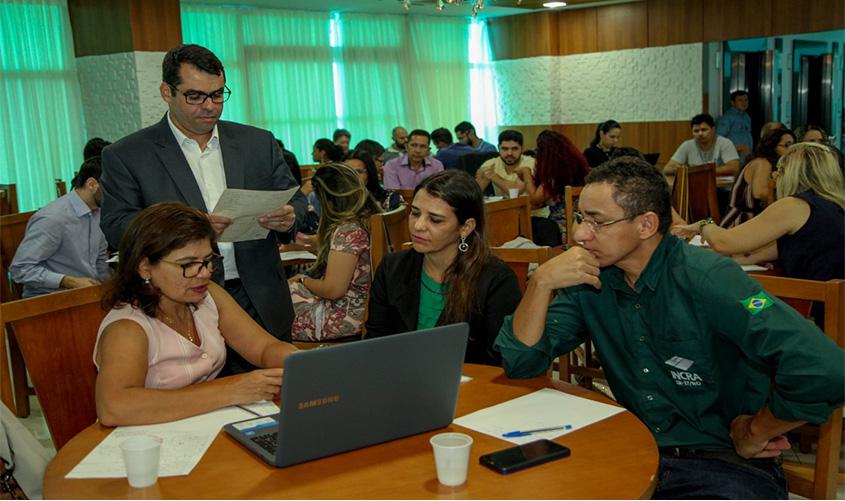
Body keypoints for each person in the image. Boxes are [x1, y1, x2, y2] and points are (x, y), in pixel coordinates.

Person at [495, 156, 845, 499]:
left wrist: (756, 430)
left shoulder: (709, 278)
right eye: (580, 218)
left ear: (646, 225)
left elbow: (825, 369)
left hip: (722, 465)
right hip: (634, 453)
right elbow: (521, 362)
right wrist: (541, 283)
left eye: (596, 221)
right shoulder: (590, 280)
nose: (579, 234)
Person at [100, 44, 306, 375]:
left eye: (217, 95)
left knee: (273, 399)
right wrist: (187, 229)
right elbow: (116, 225)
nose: (210, 106)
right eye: (195, 96)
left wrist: (291, 214)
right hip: (179, 303)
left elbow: (295, 198)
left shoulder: (257, 142)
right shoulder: (129, 155)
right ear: (167, 92)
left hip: (260, 295)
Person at [94, 202, 297, 426]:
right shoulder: (127, 328)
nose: (204, 274)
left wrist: (300, 363)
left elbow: (264, 348)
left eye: (208, 261)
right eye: (188, 265)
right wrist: (231, 390)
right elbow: (114, 407)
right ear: (144, 267)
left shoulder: (209, 296)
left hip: (202, 426)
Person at [366, 170, 520, 365]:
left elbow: (498, 359)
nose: (418, 226)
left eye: (435, 219)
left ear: (466, 227)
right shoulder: (393, 267)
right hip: (399, 380)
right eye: (415, 213)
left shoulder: (495, 279)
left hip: (469, 386)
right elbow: (375, 341)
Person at [679, 142, 844, 283]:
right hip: (832, 305)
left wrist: (704, 224)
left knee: (746, 303)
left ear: (791, 174)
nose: (774, 176)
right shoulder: (833, 207)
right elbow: (750, 254)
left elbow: (724, 242)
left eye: (779, 170)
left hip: (808, 305)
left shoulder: (795, 206)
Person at [288, 164, 381, 341]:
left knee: (270, 306)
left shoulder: (348, 231)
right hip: (363, 307)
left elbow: (333, 290)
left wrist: (303, 280)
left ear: (327, 201)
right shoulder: (369, 218)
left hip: (343, 318)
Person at [10, 157, 111, 298]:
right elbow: (20, 269)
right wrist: (67, 281)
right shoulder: (53, 218)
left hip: (86, 295)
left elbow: (100, 261)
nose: (118, 195)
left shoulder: (97, 212)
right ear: (92, 184)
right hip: (51, 299)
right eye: (114, 189)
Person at [517, 130, 590, 245]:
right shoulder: (573, 169)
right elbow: (539, 203)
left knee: (530, 225)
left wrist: (526, 173)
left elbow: (534, 199)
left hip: (563, 230)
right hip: (580, 224)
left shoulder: (556, 175)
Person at [720, 129, 795, 227]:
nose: (792, 150)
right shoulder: (762, 162)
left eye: (794, 146)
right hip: (741, 222)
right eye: (787, 145)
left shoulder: (778, 167)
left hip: (756, 220)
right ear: (772, 147)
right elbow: (760, 193)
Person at [663, 114, 739, 176]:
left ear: (713, 130)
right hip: (695, 187)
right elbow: (667, 169)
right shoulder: (687, 145)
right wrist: (684, 170)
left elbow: (734, 168)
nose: (700, 134)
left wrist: (700, 171)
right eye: (696, 131)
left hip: (721, 189)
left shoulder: (725, 143)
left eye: (704, 130)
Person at [716, 90, 753, 162]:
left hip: (745, 159)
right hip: (732, 159)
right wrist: (740, 148)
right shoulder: (727, 118)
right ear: (732, 102)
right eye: (740, 100)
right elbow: (718, 141)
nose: (744, 103)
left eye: (746, 100)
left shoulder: (747, 117)